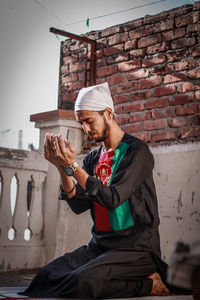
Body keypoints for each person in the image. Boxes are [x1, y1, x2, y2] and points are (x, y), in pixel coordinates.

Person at [20, 82, 169, 298]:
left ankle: (148, 285)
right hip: (99, 247)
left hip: (136, 250)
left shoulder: (137, 152)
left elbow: (113, 198)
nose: (86, 129)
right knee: (45, 276)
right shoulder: (94, 158)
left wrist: (73, 167)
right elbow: (78, 204)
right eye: (81, 123)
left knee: (81, 283)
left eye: (89, 121)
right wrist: (63, 168)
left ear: (108, 113)